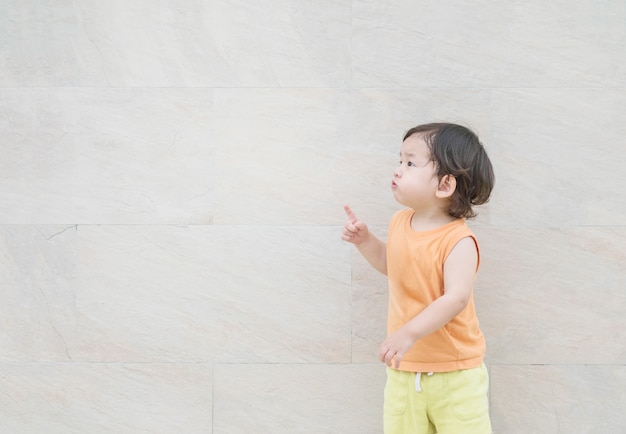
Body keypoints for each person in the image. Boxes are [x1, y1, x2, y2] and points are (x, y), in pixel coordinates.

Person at [342, 123, 495, 434]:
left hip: (455, 374)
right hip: (405, 369)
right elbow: (392, 264)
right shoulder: (400, 222)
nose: (398, 171)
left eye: (410, 163)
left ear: (444, 185)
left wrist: (408, 333)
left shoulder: (459, 241)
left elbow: (456, 298)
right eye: (400, 161)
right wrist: (365, 241)